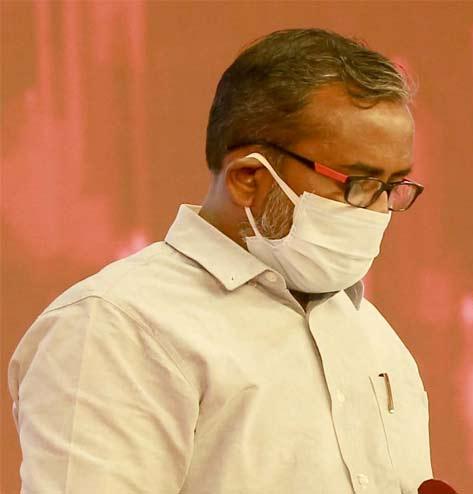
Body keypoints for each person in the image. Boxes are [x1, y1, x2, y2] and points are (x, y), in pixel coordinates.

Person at [9, 28, 432, 493]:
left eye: (393, 187)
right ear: (248, 178)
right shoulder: (113, 326)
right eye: (358, 184)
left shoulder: (370, 331)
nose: (377, 210)